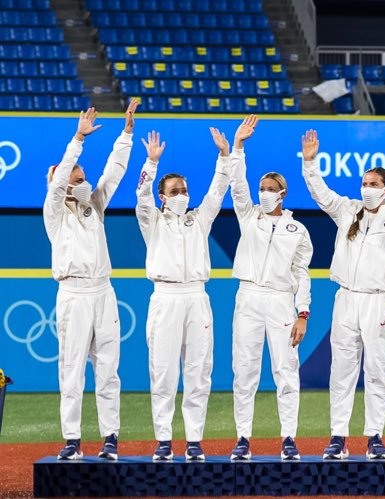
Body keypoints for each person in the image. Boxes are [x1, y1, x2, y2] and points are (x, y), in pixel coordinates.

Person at [300, 130, 385, 460]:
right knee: (342, 370)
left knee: (379, 370)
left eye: (373, 184)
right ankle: (338, 436)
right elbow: (320, 194)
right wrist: (309, 162)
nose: (367, 189)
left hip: (380, 301)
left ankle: (374, 437)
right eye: (364, 183)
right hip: (347, 298)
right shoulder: (348, 210)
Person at [44, 104, 135, 461]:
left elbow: (114, 172)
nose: (80, 182)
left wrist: (126, 135)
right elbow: (60, 178)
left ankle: (110, 437)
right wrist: (78, 138)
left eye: (82, 179)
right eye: (73, 179)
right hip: (73, 294)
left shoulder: (94, 206)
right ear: (59, 184)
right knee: (71, 369)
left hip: (102, 292)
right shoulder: (53, 214)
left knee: (108, 368)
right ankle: (72, 440)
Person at [136, 128, 230, 461]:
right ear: (163, 196)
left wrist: (223, 156)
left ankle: (193, 441)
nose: (182, 195)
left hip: (197, 298)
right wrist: (151, 161)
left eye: (185, 190)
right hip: (165, 298)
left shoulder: (198, 220)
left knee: (198, 371)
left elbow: (218, 193)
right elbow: (141, 194)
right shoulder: (152, 221)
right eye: (174, 191)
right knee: (162, 372)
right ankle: (163, 440)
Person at [225, 115, 313, 461]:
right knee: (244, 370)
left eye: (270, 189)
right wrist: (239, 147)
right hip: (247, 296)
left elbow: (302, 274)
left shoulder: (298, 231)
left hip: (280, 301)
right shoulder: (249, 216)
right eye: (262, 188)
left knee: (286, 370)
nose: (264, 193)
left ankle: (288, 438)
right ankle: (243, 438)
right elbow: (236, 186)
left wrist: (303, 314)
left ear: (283, 194)